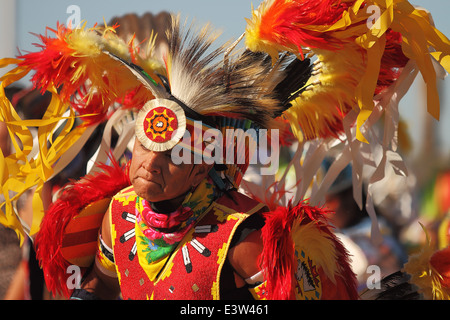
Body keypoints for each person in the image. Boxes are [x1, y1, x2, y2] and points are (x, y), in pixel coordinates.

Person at [1, 1, 450, 300]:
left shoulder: (245, 238)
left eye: (173, 155)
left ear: (199, 168)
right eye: (142, 146)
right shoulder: (118, 215)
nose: (148, 165)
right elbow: (99, 288)